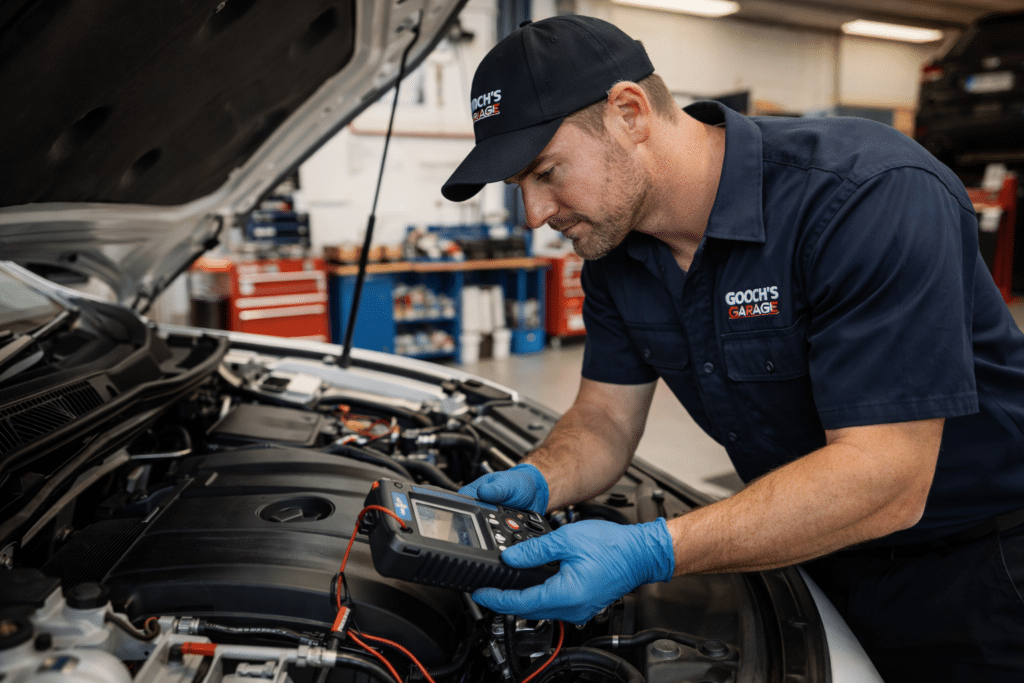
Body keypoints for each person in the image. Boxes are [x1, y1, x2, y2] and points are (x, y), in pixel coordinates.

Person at [441, 14, 1024, 682]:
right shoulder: (613, 260)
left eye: (545, 172)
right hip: (811, 555)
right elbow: (603, 420)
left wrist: (655, 550)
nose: (534, 215)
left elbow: (886, 478)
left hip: (981, 571)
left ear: (629, 112)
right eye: (519, 188)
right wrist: (541, 477)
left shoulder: (867, 194)